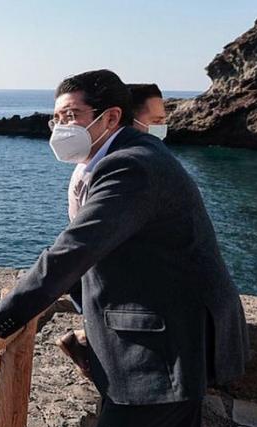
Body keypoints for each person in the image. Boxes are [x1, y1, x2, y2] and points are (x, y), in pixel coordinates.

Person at [0, 69, 247, 427]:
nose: (60, 128)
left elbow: (72, 252)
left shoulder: (130, 165)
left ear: (110, 116)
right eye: (55, 118)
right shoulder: (133, 157)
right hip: (184, 331)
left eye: (70, 116)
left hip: (165, 346)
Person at [57, 82, 170, 374]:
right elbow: (80, 247)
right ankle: (93, 345)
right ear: (122, 119)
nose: (163, 127)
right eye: (156, 121)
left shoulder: (123, 161)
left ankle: (89, 342)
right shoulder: (116, 167)